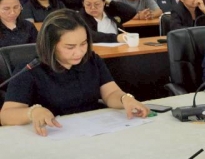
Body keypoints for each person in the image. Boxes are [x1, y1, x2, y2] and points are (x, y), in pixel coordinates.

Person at [0, 10, 149, 135]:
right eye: (70, 47)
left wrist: (125, 99)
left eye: (83, 44)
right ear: (50, 45)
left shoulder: (91, 59)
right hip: (55, 134)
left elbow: (110, 93)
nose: (79, 52)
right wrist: (33, 112)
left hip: (94, 129)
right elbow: (6, 115)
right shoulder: (31, 69)